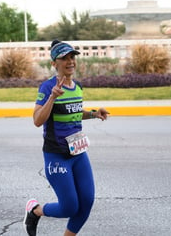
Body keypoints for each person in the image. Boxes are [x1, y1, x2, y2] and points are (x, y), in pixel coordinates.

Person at [24, 40, 110, 236]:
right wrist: (52, 98)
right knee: (70, 207)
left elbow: (74, 112)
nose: (70, 61)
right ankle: (35, 210)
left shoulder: (77, 87)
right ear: (54, 63)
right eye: (64, 58)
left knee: (86, 202)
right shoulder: (47, 87)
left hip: (78, 153)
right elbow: (37, 120)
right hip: (57, 155)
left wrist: (94, 113)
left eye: (72, 57)